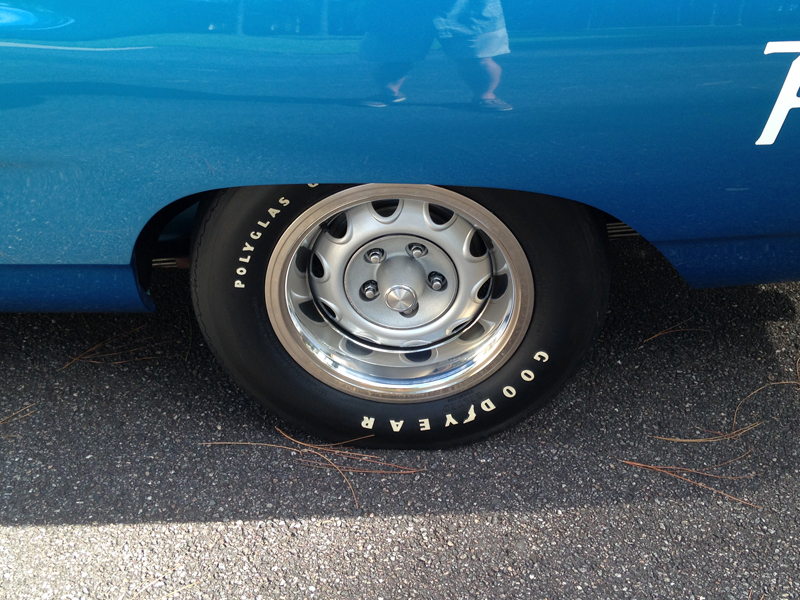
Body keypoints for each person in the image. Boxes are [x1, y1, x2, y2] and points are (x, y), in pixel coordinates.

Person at [360, 0, 513, 111]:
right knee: (395, 57)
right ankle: (389, 93)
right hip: (405, 7)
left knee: (478, 57)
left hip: (468, 8)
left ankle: (486, 95)